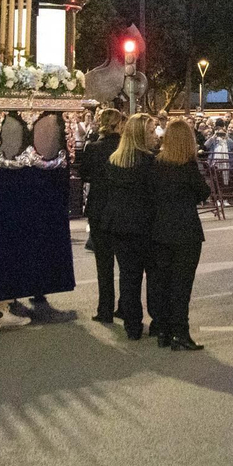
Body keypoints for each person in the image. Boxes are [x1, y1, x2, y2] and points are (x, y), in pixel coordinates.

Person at [147, 119, 209, 350]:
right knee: (182, 285)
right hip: (186, 230)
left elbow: (150, 195)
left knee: (162, 281)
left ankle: (162, 329)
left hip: (160, 230)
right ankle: (180, 332)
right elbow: (203, 192)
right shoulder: (188, 166)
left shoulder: (156, 164)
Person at [93, 114, 155, 340]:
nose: (154, 135)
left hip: (118, 226)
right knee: (152, 275)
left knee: (128, 277)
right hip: (144, 226)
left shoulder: (114, 161)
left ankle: (132, 324)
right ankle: (155, 320)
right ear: (140, 134)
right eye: (150, 131)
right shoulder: (149, 162)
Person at [80, 109, 123, 313]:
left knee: (103, 263)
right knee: (125, 264)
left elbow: (84, 174)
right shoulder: (124, 147)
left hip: (98, 207)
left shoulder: (93, 148)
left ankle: (104, 308)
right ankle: (125, 306)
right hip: (120, 207)